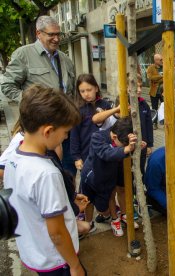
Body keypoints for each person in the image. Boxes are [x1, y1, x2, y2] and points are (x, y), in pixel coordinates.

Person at [3, 85, 85, 275]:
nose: (65, 137)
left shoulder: (14, 156)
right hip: (57, 260)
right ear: (48, 131)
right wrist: (74, 264)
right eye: (65, 132)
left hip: (34, 252)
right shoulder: (46, 174)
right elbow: (56, 233)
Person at [81, 117, 142, 237]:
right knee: (91, 202)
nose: (124, 146)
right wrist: (127, 148)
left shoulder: (121, 137)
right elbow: (106, 154)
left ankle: (115, 216)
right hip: (93, 177)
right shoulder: (97, 137)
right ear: (114, 137)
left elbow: (124, 150)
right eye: (123, 145)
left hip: (110, 176)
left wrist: (137, 146)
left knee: (109, 198)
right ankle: (90, 222)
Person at [1, 15, 75, 100]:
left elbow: (73, 92)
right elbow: (7, 86)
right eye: (51, 34)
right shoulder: (23, 54)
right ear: (38, 34)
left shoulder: (66, 59)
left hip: (66, 112)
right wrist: (31, 104)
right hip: (37, 112)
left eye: (58, 34)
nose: (56, 39)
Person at [70, 74, 113, 172]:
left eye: (89, 90)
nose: (86, 94)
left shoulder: (105, 105)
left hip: (105, 150)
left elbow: (112, 126)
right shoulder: (78, 109)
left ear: (96, 88)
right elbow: (74, 135)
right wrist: (76, 157)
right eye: (82, 91)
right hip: (87, 153)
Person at [147, 53, 164, 129]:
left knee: (165, 107)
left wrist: (158, 79)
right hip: (154, 92)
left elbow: (167, 76)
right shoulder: (151, 68)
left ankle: (165, 122)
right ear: (156, 60)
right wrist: (161, 76)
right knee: (154, 108)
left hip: (163, 91)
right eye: (160, 60)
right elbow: (151, 78)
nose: (162, 61)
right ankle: (154, 123)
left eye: (162, 59)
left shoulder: (164, 66)